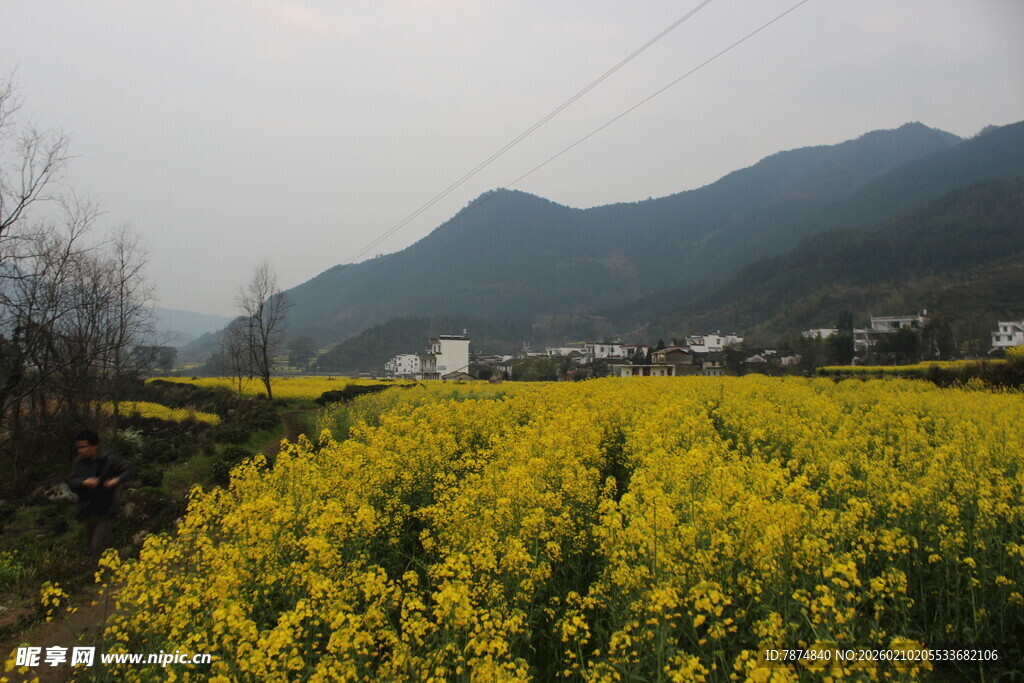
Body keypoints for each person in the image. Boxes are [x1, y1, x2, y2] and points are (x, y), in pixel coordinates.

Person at [66, 429, 134, 562]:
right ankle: (108, 568)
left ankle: (103, 571)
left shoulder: (109, 460)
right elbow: (70, 481)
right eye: (79, 447)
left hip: (106, 511)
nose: (80, 451)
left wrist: (116, 480)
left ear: (94, 446)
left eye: (83, 447)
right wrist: (83, 482)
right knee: (92, 548)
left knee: (98, 547)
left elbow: (130, 469)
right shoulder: (79, 462)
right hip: (87, 511)